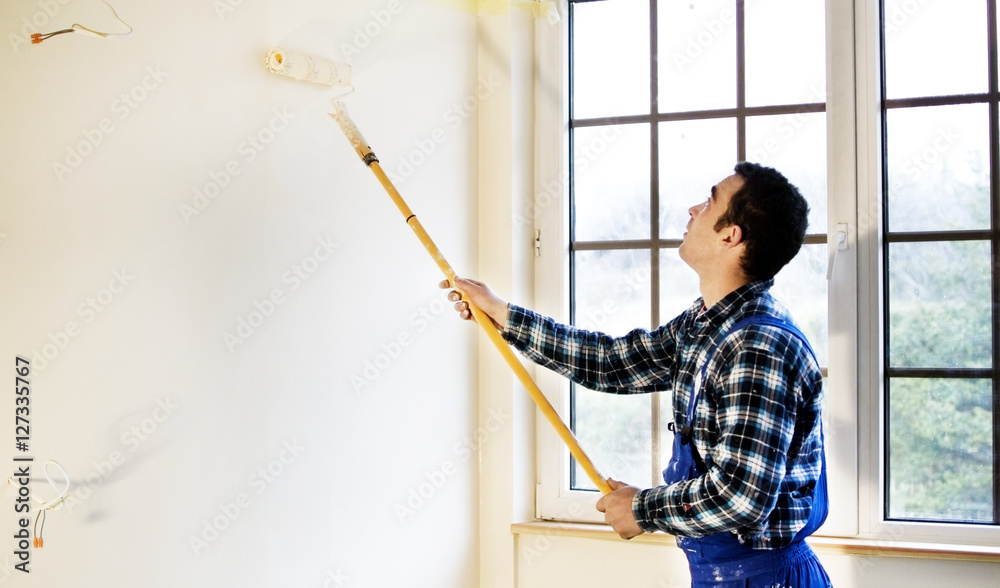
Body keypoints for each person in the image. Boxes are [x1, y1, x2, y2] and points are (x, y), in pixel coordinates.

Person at [442, 162, 832, 587]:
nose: (692, 209)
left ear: (730, 235)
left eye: (710, 201)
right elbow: (612, 362)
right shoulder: (706, 324)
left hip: (765, 578)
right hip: (724, 575)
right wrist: (503, 315)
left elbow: (741, 496)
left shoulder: (757, 347)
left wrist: (642, 509)